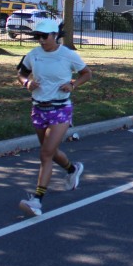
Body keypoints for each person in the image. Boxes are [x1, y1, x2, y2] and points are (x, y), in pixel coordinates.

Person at [16, 19, 92, 217]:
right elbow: (21, 73)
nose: (41, 40)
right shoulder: (33, 54)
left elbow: (86, 73)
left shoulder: (67, 54)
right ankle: (72, 169)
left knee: (45, 154)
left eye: (44, 36)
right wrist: (26, 83)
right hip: (38, 108)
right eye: (37, 37)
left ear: (55, 35)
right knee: (50, 151)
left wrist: (73, 85)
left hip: (60, 109)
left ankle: (37, 201)